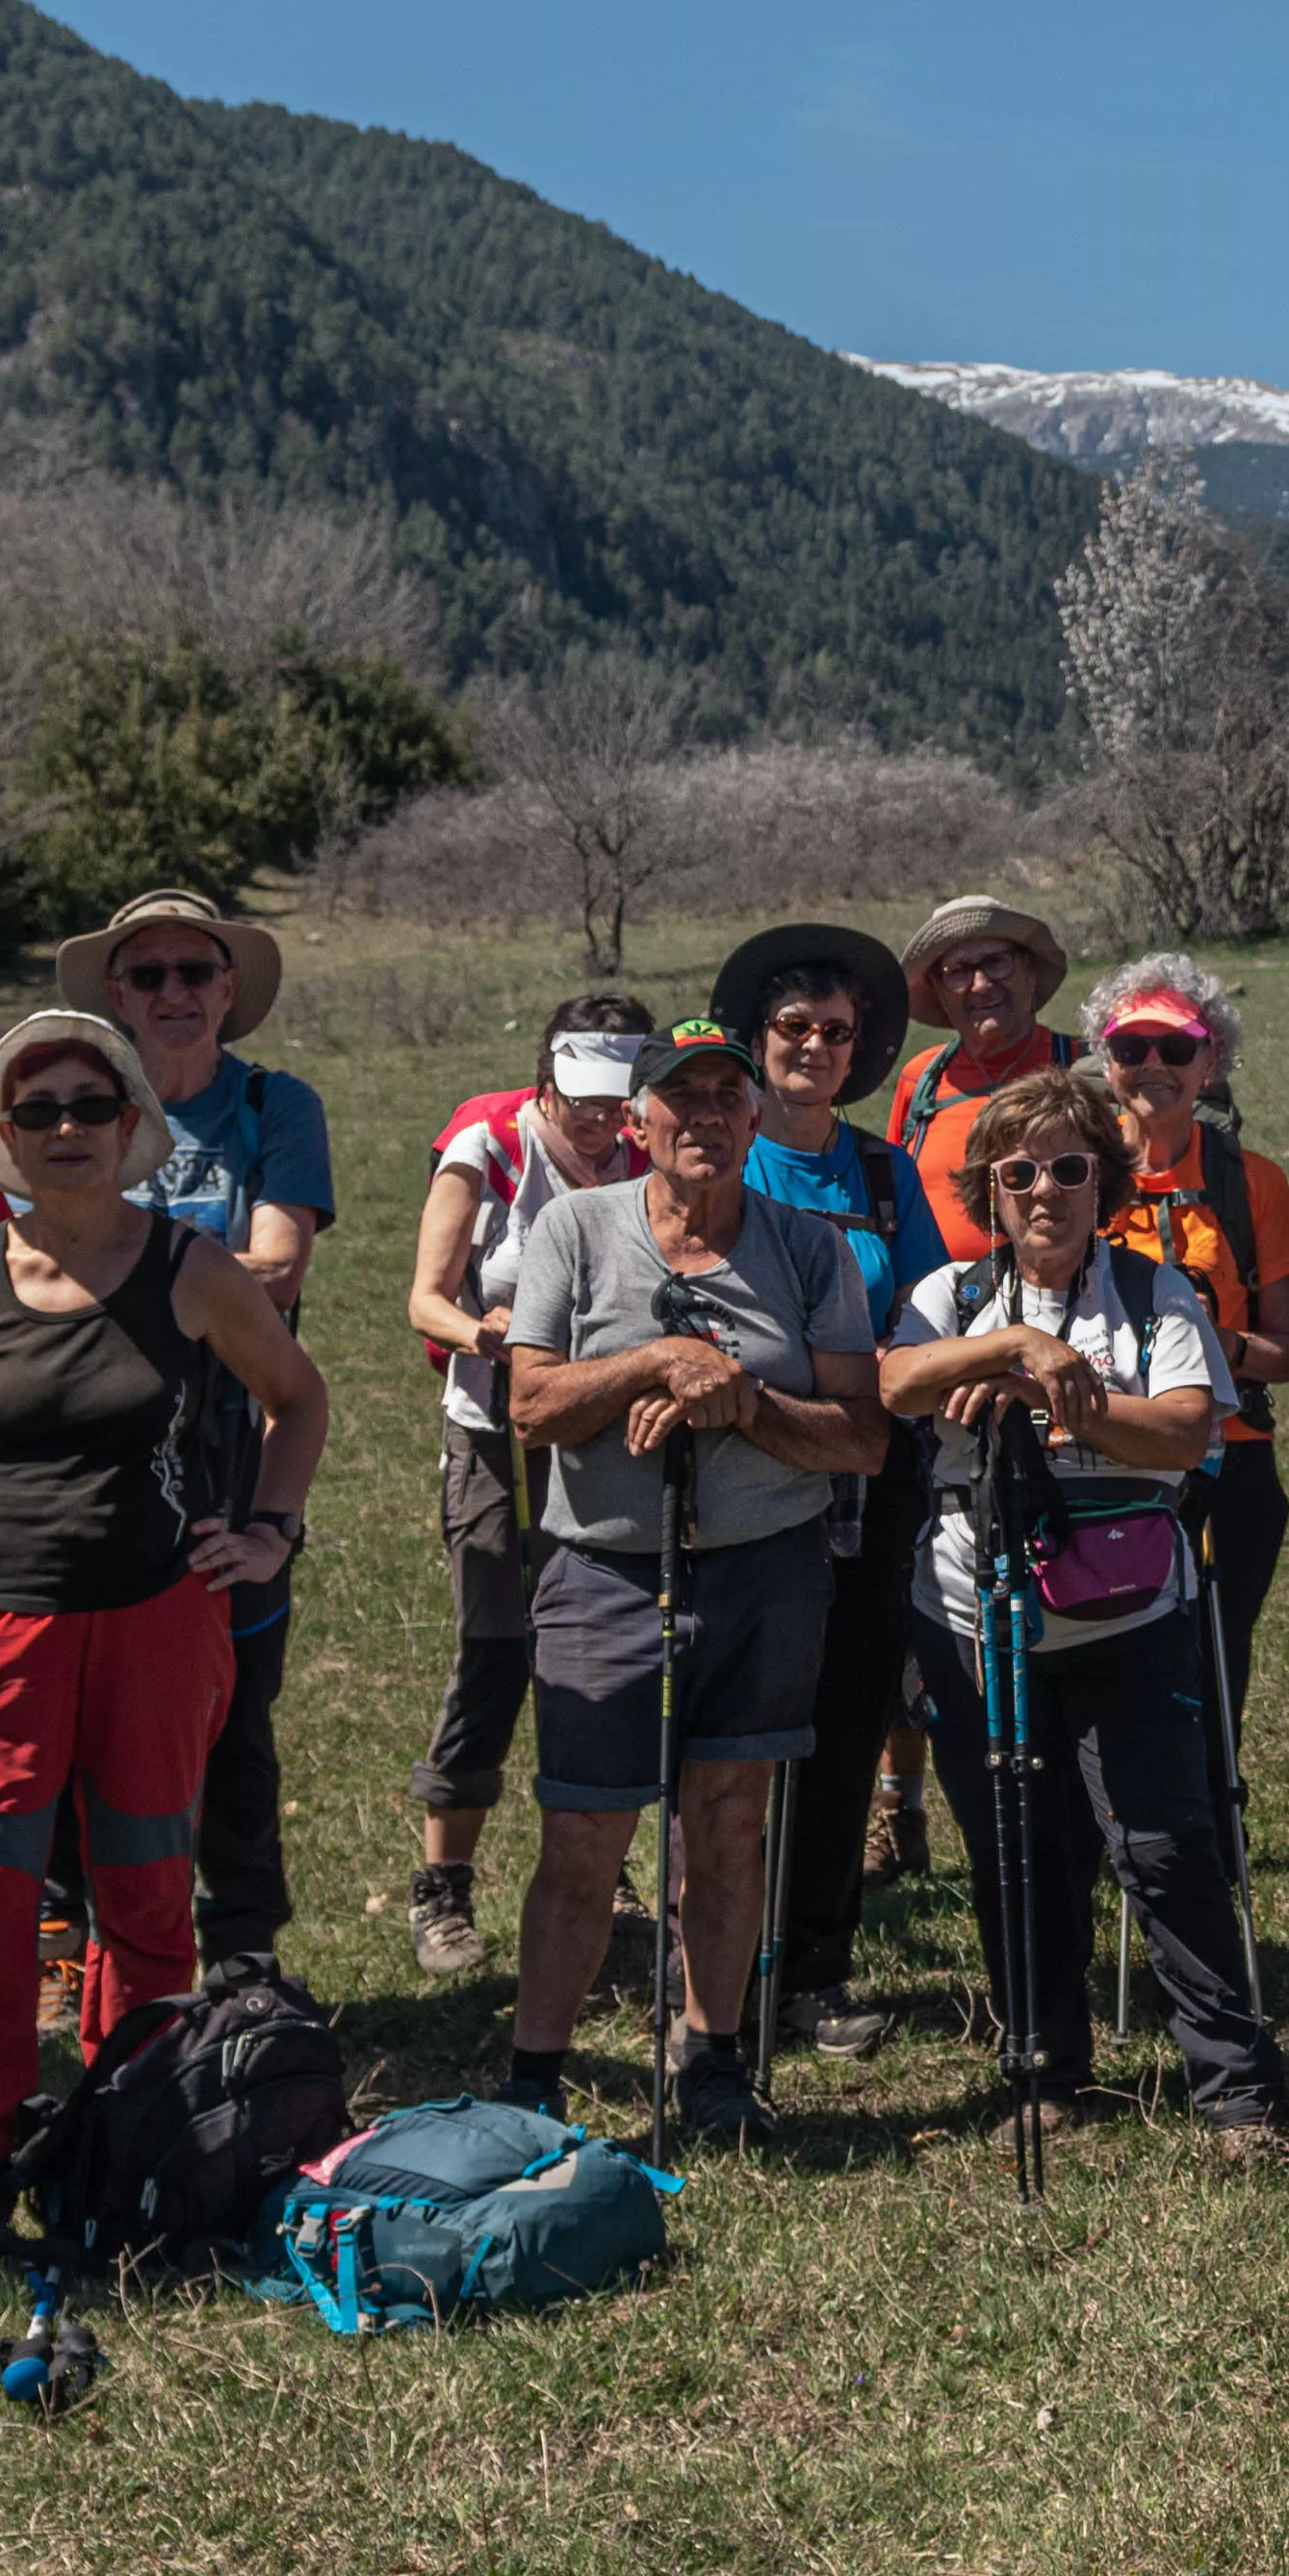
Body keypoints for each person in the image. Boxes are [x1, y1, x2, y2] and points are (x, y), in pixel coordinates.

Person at [0, 1008, 334, 2291]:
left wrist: (268, 1530)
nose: (67, 1129)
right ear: (2, 1139)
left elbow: (297, 1397)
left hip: (157, 1625)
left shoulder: (192, 1265)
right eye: (40, 1112)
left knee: (146, 1900)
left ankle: (132, 2143)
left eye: (91, 1105)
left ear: (133, 1124)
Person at [496, 1015, 889, 2145]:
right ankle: (536, 2076)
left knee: (728, 1826)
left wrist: (746, 1404)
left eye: (726, 1097)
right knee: (584, 1837)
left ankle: (712, 2059)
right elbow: (530, 1405)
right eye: (680, 1099)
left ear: (753, 1116)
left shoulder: (807, 1246)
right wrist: (659, 1363)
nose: (703, 1118)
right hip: (604, 1571)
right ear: (637, 1119)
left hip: (764, 1571)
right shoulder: (575, 1230)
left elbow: (861, 1438)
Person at [878, 1064, 1284, 2151]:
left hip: (1132, 1615)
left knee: (1162, 1846)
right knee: (1017, 1849)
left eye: (1069, 1168)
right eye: (1019, 1173)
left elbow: (1186, 1433)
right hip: (975, 1620)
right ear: (988, 1190)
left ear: (1103, 1182)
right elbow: (894, 1386)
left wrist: (1065, 1400)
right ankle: (1046, 2072)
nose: (1044, 1191)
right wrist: (1015, 1350)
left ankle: (1234, 2089)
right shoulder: (947, 1298)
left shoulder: (1157, 1293)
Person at [58, 884, 340, 1983]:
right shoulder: (81, 1107)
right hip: (93, 1449)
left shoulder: (273, 1107)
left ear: (229, 989)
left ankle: (238, 1949)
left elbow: (279, 1273)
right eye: (149, 976)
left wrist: (116, 1264)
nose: (174, 994)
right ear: (118, 997)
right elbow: (31, 1269)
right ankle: (106, 1943)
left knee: (233, 1709)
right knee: (95, 1707)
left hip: (232, 1447)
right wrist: (200, 1275)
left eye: (195, 973)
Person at [708, 916, 949, 2054]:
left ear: (859, 1053)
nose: (812, 1046)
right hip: (738, 1473)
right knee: (737, 1729)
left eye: (834, 1033)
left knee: (846, 1720)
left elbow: (928, 1313)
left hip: (868, 1472)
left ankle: (812, 1968)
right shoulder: (720, 1156)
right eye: (792, 1028)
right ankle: (710, 1970)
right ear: (756, 1043)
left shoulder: (886, 1174)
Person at [398, 990, 658, 1982]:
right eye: (579, 1100)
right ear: (543, 1081)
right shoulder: (489, 1144)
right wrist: (490, 1337)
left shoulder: (643, 1145)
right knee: (497, 1647)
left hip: (598, 1434)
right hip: (495, 1432)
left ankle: (610, 1878)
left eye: (614, 1102)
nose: (597, 1123)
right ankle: (445, 1886)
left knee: (601, 1649)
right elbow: (425, 1294)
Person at [1086, 955, 1289, 1732]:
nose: (1153, 1066)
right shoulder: (1074, 1177)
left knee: (1218, 1652)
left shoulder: (1251, 1182)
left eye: (1177, 1048)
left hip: (1232, 1456)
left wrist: (1218, 1345)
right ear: (1105, 1058)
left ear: (1211, 1057)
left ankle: (1213, 1825)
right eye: (1131, 1048)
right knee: (1115, 1646)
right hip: (1108, 1453)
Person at [889, 889, 1081, 1253]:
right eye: (958, 972)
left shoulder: (1082, 1069)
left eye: (996, 962)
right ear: (939, 990)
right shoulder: (921, 1080)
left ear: (1029, 971)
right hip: (937, 1306)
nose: (980, 984)